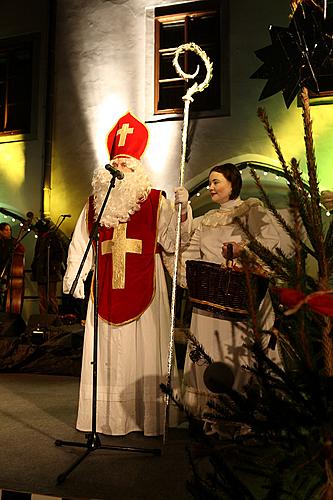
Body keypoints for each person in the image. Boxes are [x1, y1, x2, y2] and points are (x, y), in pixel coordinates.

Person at [63, 111, 192, 436]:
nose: (119, 169)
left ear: (137, 169)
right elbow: (82, 242)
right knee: (106, 355)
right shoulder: (95, 204)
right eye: (115, 164)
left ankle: (146, 420)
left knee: (144, 351)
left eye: (126, 164)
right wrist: (77, 280)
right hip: (105, 289)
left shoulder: (154, 201)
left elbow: (172, 240)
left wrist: (182, 211)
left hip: (146, 286)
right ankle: (105, 417)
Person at [179, 163, 282, 422]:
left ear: (232, 183)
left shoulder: (251, 210)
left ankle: (241, 413)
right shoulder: (207, 220)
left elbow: (270, 244)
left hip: (240, 295)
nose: (211, 187)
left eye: (216, 182)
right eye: (210, 183)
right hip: (209, 296)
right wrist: (187, 272)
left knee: (234, 351)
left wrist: (242, 250)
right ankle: (207, 414)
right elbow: (190, 251)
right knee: (206, 350)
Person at [31, 218, 66, 315]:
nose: (36, 232)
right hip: (41, 272)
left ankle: (54, 318)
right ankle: (43, 318)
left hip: (51, 272)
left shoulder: (52, 238)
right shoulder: (40, 239)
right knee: (42, 297)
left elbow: (59, 255)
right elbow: (37, 255)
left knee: (51, 296)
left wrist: (54, 266)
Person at [0, 222, 25, 312]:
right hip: (1, 271)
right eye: (6, 230)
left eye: (10, 230)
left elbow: (22, 250)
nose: (9, 232)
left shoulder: (13, 242)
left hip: (9, 273)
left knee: (5, 295)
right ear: (0, 232)